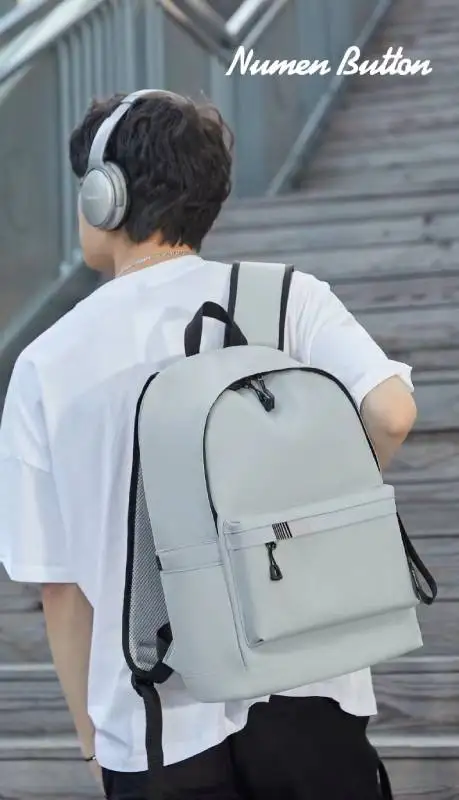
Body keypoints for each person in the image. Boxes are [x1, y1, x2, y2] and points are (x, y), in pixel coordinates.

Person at [0, 90, 416, 800]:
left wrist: (92, 739)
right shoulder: (290, 300)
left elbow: (59, 587)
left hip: (151, 719)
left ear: (105, 196)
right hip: (308, 684)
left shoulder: (47, 361)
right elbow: (392, 411)